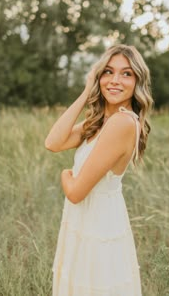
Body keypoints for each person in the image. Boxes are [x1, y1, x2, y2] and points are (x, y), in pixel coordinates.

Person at [45, 44, 153, 296]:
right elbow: (53, 142)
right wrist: (86, 92)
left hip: (98, 226)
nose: (115, 80)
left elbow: (75, 192)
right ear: (98, 77)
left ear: (137, 81)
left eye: (126, 74)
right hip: (89, 221)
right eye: (108, 72)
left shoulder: (121, 123)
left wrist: (65, 174)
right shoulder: (102, 121)